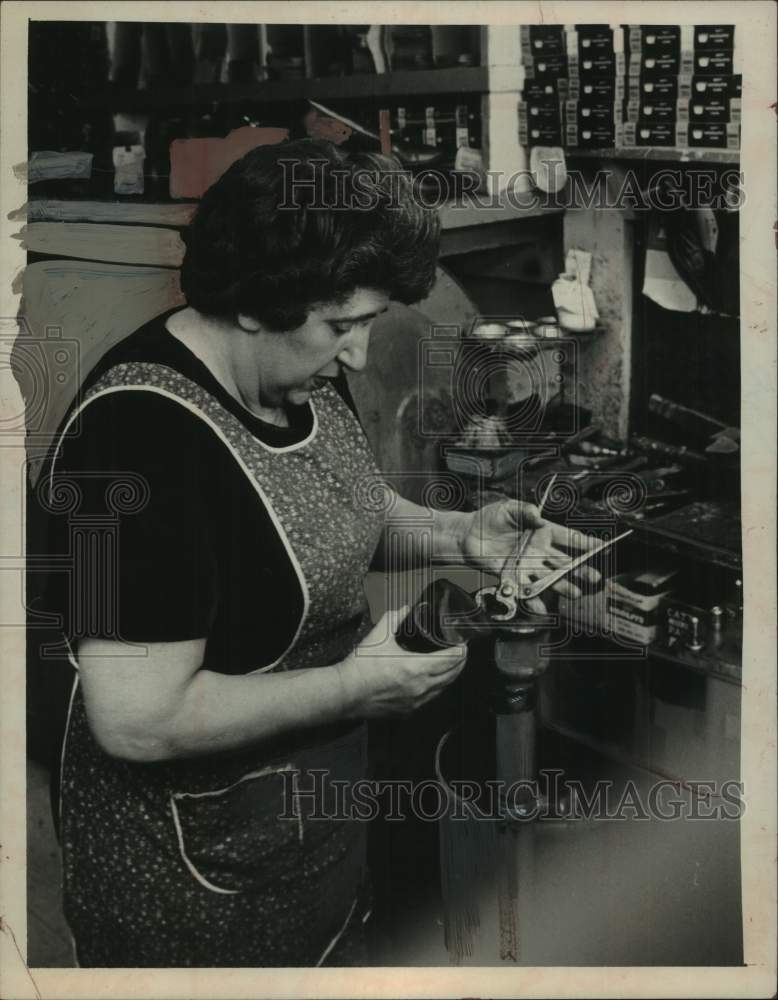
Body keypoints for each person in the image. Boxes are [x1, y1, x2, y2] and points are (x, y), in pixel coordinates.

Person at [36, 138, 596, 967]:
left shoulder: (292, 362)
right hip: (189, 883)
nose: (360, 355)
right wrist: (350, 690)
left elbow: (342, 508)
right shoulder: (136, 440)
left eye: (366, 323)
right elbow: (137, 721)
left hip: (303, 833)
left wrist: (456, 534)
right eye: (346, 326)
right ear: (259, 301)